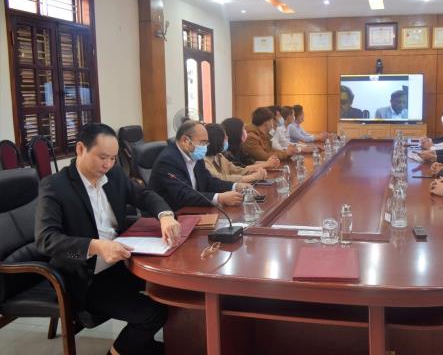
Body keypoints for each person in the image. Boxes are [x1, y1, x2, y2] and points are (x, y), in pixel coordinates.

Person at [35, 123, 181, 355]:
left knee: (173, 289)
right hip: (86, 278)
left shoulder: (113, 174)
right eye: (102, 157)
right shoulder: (55, 186)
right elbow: (46, 239)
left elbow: (144, 195)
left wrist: (165, 216)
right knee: (152, 313)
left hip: (121, 264)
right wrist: (95, 246)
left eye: (113, 158)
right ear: (80, 149)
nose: (108, 164)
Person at [150, 120, 250, 211]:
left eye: (206, 143)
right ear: (185, 140)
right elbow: (184, 194)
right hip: (173, 214)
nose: (205, 147)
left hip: (194, 209)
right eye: (202, 143)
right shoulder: (168, 160)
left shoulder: (194, 155)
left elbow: (208, 181)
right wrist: (219, 198)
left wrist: (235, 186)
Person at [204, 123, 275, 183]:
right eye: (224, 137)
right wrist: (252, 177)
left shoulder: (219, 155)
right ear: (216, 140)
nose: (227, 138)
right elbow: (220, 179)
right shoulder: (204, 161)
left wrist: (252, 172)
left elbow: (236, 170)